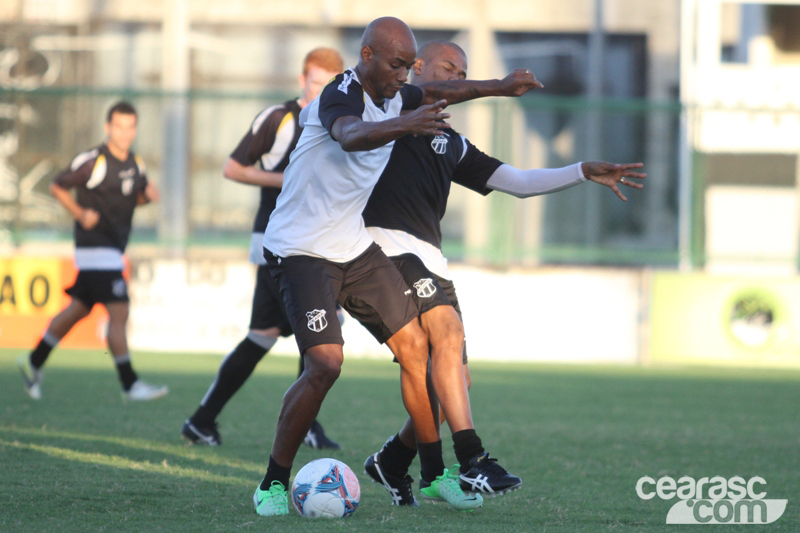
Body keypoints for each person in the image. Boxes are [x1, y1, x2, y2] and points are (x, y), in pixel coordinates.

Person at [253, 17, 543, 517]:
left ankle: (433, 475)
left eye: (409, 66)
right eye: (396, 65)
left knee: (418, 349)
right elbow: (350, 135)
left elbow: (444, 89)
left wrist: (500, 87)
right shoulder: (339, 94)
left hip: (352, 247)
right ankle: (273, 483)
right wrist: (404, 124)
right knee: (325, 365)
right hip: (300, 250)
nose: (405, 76)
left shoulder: (400, 92)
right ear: (366, 57)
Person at [361, 41, 646, 506]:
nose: (456, 77)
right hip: (382, 244)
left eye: (464, 71)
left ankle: (394, 459)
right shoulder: (389, 111)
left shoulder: (451, 141)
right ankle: (472, 459)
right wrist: (493, 87)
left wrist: (582, 170)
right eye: (448, 68)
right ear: (417, 68)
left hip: (428, 255)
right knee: (445, 334)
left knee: (455, 381)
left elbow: (515, 182)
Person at [181, 48, 344, 448]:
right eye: (315, 81)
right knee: (319, 336)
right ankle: (303, 424)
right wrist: (284, 179)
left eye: (330, 84)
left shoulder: (338, 122)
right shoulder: (281, 119)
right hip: (279, 244)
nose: (321, 90)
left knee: (265, 336)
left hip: (314, 244)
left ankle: (202, 420)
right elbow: (232, 167)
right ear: (302, 78)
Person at [17, 101, 168, 401]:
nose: (124, 133)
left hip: (113, 248)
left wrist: (147, 197)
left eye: (130, 127)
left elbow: (131, 198)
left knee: (78, 310)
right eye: (118, 126)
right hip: (96, 248)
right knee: (119, 312)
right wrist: (79, 213)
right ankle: (130, 384)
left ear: (135, 129)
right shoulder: (93, 160)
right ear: (107, 128)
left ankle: (33, 361)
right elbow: (57, 186)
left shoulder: (136, 164)